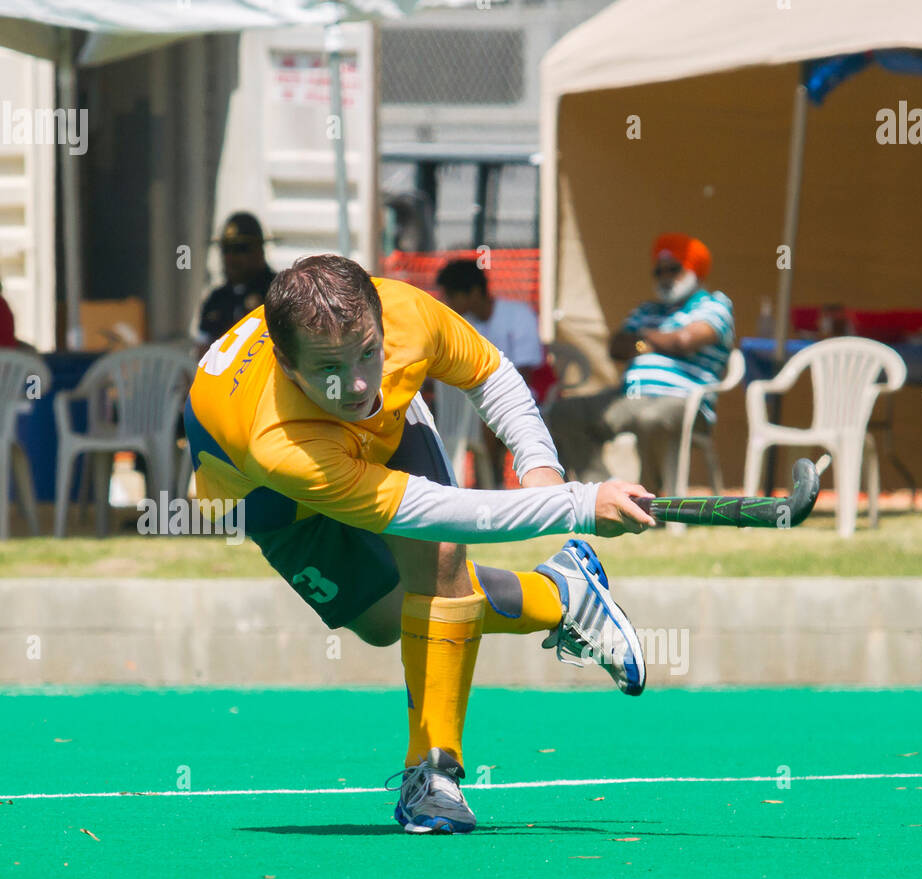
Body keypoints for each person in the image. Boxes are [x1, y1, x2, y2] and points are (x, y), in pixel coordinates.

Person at [186, 255, 655, 834]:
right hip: (271, 495)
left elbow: (489, 373)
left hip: (383, 439)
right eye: (329, 367)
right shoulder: (278, 444)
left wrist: (538, 461)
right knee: (384, 621)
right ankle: (560, 593)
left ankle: (434, 776)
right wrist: (580, 505)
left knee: (436, 564)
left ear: (380, 324)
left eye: (367, 352)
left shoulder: (404, 310)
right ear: (286, 364)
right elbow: (448, 513)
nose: (358, 384)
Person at [548, 234, 735, 489]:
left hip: (683, 401)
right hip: (630, 396)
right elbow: (616, 347)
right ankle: (605, 494)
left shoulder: (715, 304)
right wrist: (658, 340)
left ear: (695, 270)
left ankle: (655, 506)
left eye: (674, 269)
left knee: (651, 419)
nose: (665, 276)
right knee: (563, 413)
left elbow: (685, 342)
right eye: (659, 271)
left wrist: (644, 337)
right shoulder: (647, 310)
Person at [435, 259, 544, 487]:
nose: (447, 303)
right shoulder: (461, 323)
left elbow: (526, 373)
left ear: (474, 293)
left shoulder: (518, 315)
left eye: (452, 296)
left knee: (486, 421)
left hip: (519, 397)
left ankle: (494, 486)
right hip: (471, 404)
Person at [197, 213, 276, 349]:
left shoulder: (277, 291)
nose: (231, 257)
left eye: (240, 249)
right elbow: (203, 347)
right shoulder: (217, 298)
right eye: (226, 250)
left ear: (259, 251)